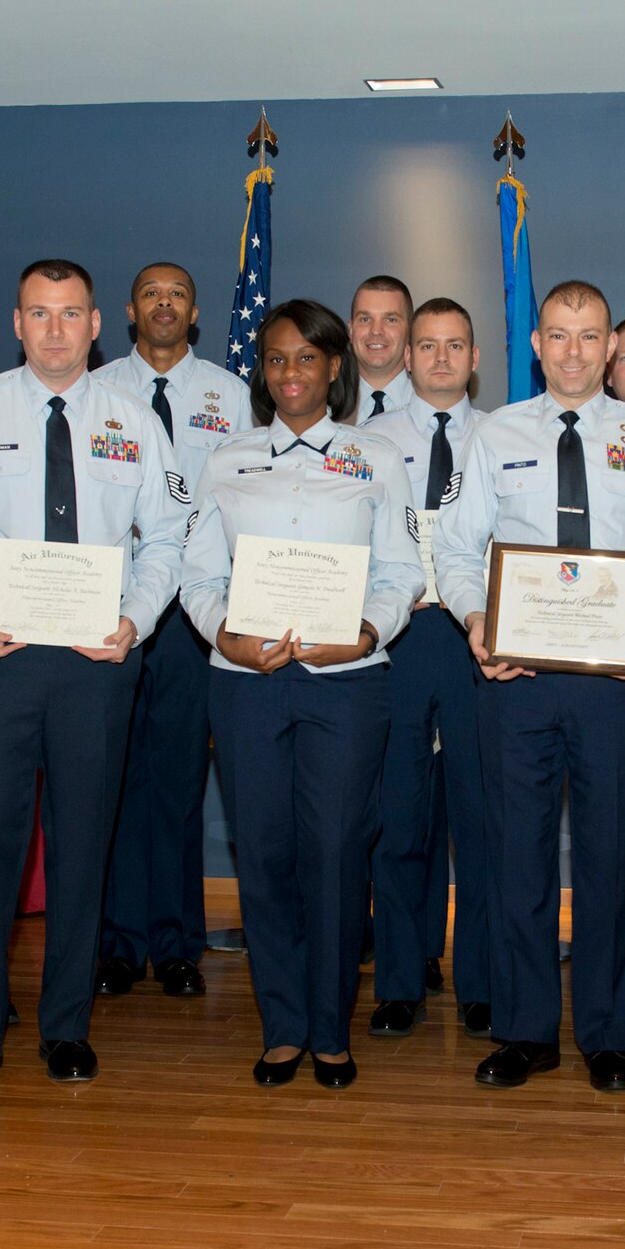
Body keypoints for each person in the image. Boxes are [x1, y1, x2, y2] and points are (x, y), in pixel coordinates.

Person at [0, 258, 187, 1095]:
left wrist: (136, 619)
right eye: (39, 313)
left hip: (98, 653)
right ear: (16, 324)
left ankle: (67, 1027)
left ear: (96, 324)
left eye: (69, 314)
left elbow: (168, 536)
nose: (55, 330)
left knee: (83, 844)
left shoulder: (135, 420)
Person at [433, 280, 625, 1093]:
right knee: (515, 858)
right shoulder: (493, 435)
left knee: (609, 859)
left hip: (613, 681)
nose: (574, 352)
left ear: (611, 347)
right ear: (536, 344)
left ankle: (606, 1032)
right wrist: (476, 621)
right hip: (514, 677)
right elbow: (455, 546)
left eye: (590, 337)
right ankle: (524, 1031)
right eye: (559, 335)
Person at [180, 299, 423, 1088]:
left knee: (338, 852)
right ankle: (282, 1026)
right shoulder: (225, 460)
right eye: (277, 358)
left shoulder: (375, 458)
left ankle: (330, 1027)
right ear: (263, 370)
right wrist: (224, 635)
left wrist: (368, 632)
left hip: (346, 685)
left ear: (333, 368)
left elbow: (402, 572)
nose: (291, 373)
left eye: (307, 358)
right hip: (246, 685)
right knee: (264, 853)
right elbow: (198, 575)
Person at [93, 262, 253, 999]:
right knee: (116, 780)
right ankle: (120, 943)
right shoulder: (96, 392)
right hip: (110, 610)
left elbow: (247, 498)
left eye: (178, 294)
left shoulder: (230, 394)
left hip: (191, 614)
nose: (164, 303)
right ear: (130, 311)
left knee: (182, 782)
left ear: (194, 313)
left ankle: (177, 943)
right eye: (151, 293)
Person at [359, 297, 494, 1038]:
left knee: (481, 819)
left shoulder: (505, 438)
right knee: (399, 817)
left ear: (476, 358)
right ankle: (401, 981)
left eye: (456, 345)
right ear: (406, 357)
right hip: (400, 638)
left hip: (479, 639)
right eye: (428, 345)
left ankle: (481, 981)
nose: (442, 358)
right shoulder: (366, 440)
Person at [349, 276, 415, 420]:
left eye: (390, 320)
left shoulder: (433, 406)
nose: (376, 331)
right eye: (365, 319)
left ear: (410, 331)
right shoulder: (322, 408)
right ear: (351, 331)